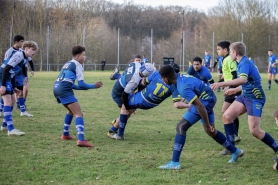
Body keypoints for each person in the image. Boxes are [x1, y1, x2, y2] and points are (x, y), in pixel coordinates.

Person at [158, 65, 243, 170]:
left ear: (166, 78)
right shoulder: (182, 77)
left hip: (204, 102)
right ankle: (235, 151)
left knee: (181, 127)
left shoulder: (182, 86)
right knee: (210, 131)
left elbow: (200, 106)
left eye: (162, 79)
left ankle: (175, 162)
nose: (163, 80)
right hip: (209, 97)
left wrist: (207, 123)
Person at [211, 42, 278, 170]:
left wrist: (221, 84)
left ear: (235, 53)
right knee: (227, 116)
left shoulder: (245, 63)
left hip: (255, 99)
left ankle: (277, 148)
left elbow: (243, 80)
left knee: (255, 131)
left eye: (230, 52)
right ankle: (233, 150)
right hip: (245, 95)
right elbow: (249, 81)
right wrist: (236, 89)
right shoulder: (240, 63)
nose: (230, 54)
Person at [108, 62, 190, 139]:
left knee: (125, 107)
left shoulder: (158, 73)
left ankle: (119, 134)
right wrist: (189, 105)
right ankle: (114, 127)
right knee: (129, 109)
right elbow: (177, 104)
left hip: (142, 98)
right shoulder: (176, 85)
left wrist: (136, 82)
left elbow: (143, 82)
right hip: (152, 104)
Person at [53, 45, 103, 148]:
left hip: (57, 88)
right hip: (64, 90)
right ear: (77, 56)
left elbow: (71, 84)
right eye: (83, 55)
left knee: (71, 111)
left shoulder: (68, 63)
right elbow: (81, 84)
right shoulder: (77, 65)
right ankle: (81, 140)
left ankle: (65, 134)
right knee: (79, 114)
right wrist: (94, 86)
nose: (85, 57)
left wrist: (84, 88)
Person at [109, 56, 155, 140]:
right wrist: (127, 107)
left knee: (129, 111)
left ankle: (116, 124)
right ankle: (113, 131)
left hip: (126, 85)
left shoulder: (137, 64)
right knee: (126, 111)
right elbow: (125, 95)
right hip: (119, 92)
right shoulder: (134, 80)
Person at [0, 41, 38, 136]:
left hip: (8, 78)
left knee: (13, 101)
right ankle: (11, 129)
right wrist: (3, 85)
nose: (34, 52)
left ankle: (4, 125)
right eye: (32, 50)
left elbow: (12, 73)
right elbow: (6, 69)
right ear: (26, 48)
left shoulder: (24, 58)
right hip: (2, 77)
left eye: (35, 50)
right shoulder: (18, 55)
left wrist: (14, 87)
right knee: (8, 101)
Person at [216, 40, 242, 156]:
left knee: (227, 113)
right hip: (230, 87)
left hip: (234, 88)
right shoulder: (224, 59)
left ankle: (233, 137)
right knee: (226, 112)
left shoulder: (229, 59)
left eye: (219, 49)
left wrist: (231, 87)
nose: (218, 51)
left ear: (225, 50)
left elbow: (234, 75)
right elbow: (227, 76)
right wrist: (220, 83)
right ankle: (233, 137)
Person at [0, 35, 24, 116]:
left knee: (11, 97)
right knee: (7, 96)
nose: (22, 43)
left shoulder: (21, 51)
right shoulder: (9, 51)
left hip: (13, 74)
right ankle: (1, 110)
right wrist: (3, 84)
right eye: (21, 41)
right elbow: (6, 65)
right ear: (16, 42)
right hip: (6, 74)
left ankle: (5, 124)